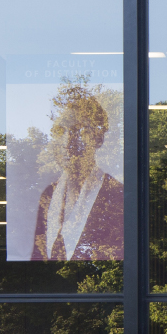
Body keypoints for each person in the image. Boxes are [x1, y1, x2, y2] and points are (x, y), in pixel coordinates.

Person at [30, 87, 125, 261]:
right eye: (60, 131)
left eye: (79, 130)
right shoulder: (48, 196)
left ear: (98, 138)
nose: (68, 142)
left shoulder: (117, 194)